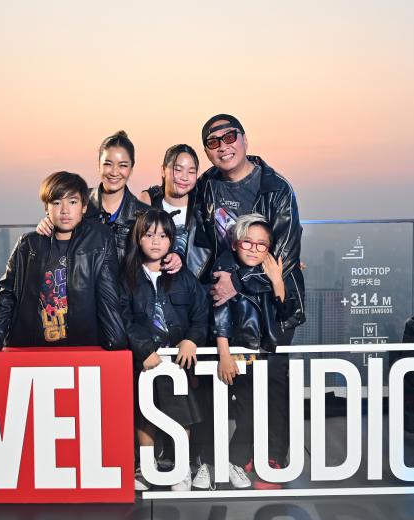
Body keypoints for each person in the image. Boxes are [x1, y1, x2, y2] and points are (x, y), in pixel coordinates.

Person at [187, 114, 305, 490]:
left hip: (268, 304)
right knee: (220, 381)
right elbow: (193, 231)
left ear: (244, 140)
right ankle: (222, 457)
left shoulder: (275, 188)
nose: (223, 146)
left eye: (229, 137)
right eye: (213, 142)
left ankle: (272, 457)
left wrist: (236, 282)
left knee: (271, 379)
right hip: (221, 302)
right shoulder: (206, 186)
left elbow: (284, 256)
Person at [0, 171, 126, 362]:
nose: (64, 210)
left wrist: (117, 342)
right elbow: (7, 295)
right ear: (46, 207)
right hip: (32, 349)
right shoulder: (29, 244)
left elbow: (110, 296)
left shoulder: (99, 241)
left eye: (72, 202)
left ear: (84, 207)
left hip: (82, 349)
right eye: (56, 203)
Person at [121, 208, 208, 492]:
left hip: (177, 362)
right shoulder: (127, 277)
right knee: (145, 415)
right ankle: (145, 468)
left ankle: (181, 468)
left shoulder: (184, 277)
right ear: (138, 239)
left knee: (181, 414)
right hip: (144, 361)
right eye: (148, 235)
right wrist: (143, 349)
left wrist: (192, 340)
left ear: (172, 240)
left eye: (162, 235)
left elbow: (201, 314)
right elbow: (122, 317)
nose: (156, 241)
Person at [209, 214, 290, 490]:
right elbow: (220, 318)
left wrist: (277, 281)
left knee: (262, 409)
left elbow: (283, 313)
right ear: (235, 244)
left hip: (262, 354)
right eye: (247, 242)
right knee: (247, 412)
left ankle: (249, 459)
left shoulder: (265, 274)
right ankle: (234, 460)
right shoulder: (226, 274)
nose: (254, 249)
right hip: (239, 356)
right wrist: (224, 356)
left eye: (261, 244)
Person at [37, 131, 150, 262]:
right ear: (98, 165)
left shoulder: (146, 215)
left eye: (123, 165)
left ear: (131, 168)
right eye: (108, 164)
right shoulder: (77, 202)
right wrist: (48, 225)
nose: (114, 172)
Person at [138, 144, 200, 275]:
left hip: (192, 283)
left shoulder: (203, 210)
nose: (184, 177)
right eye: (178, 169)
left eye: (191, 172)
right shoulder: (148, 206)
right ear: (163, 170)